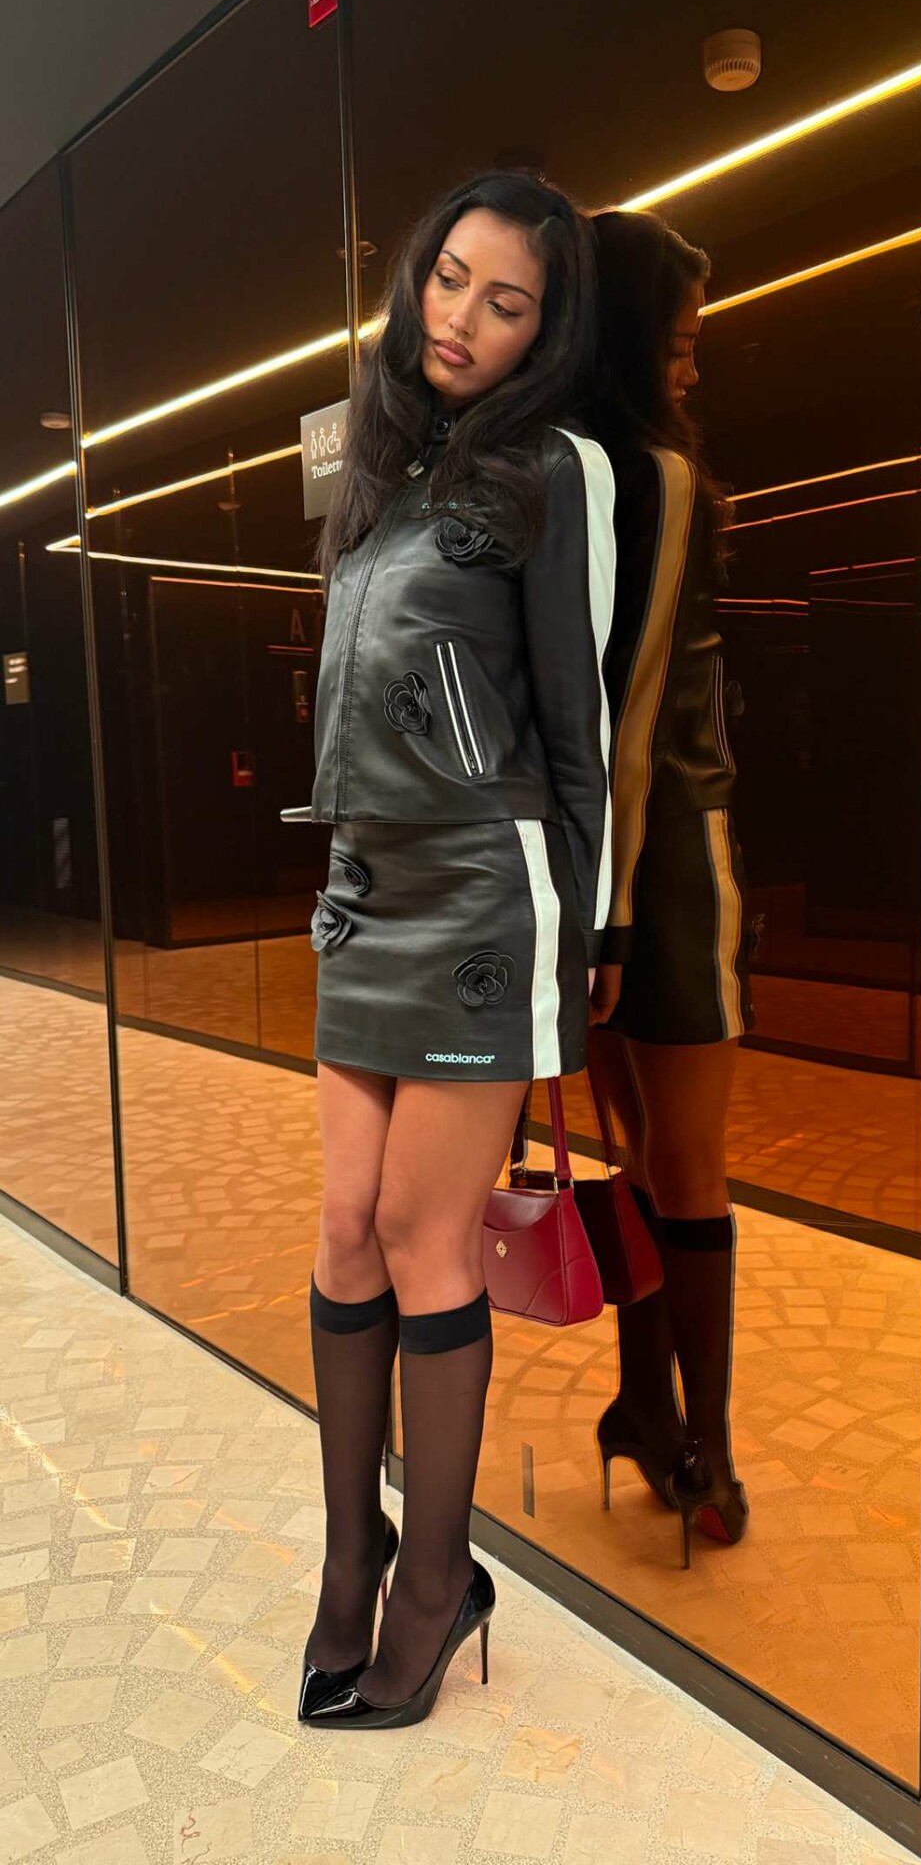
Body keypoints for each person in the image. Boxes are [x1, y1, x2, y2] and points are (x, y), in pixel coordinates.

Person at [287, 171, 616, 1726]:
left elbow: (578, 730)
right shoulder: (384, 472)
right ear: (416, 276)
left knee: (425, 1235)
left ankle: (434, 1582)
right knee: (344, 1230)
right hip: (366, 892)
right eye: (450, 278)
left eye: (508, 301)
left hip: (485, 893)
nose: (465, 317)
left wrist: (583, 946)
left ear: (546, 331)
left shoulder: (553, 473)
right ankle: (351, 1559)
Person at [585, 208, 756, 1569]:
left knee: (645, 1158)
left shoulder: (574, 475)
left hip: (598, 871)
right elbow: (636, 712)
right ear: (631, 343)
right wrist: (618, 908)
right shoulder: (653, 473)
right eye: (681, 341)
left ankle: (653, 1410)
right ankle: (701, 1446)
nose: (694, 367)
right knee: (683, 1164)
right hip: (666, 862)